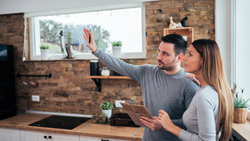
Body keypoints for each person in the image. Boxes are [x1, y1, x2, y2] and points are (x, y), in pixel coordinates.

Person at [83, 28, 199, 141]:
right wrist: (96, 50)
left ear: (179, 57)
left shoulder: (190, 84)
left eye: (165, 54)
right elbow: (121, 66)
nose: (159, 57)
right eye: (159, 51)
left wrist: (165, 124)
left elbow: (194, 123)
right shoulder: (147, 72)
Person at [157, 39, 234, 141]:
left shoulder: (204, 95)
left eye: (190, 54)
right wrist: (202, 85)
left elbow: (206, 140)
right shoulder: (211, 90)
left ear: (203, 60)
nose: (184, 58)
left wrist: (171, 127)